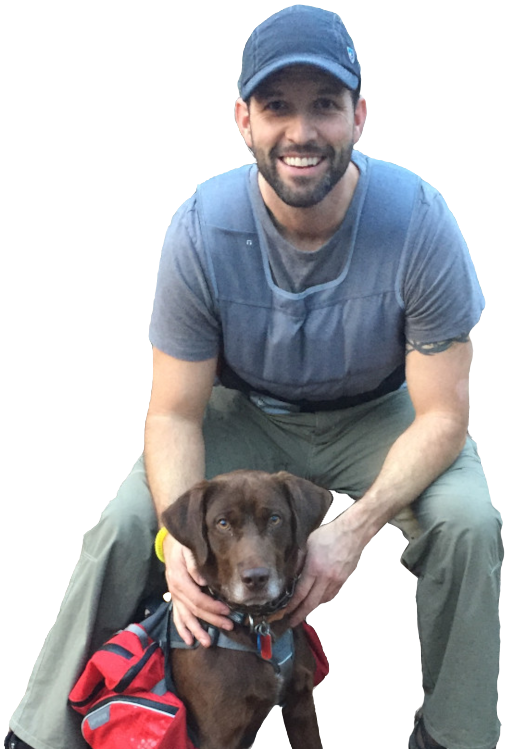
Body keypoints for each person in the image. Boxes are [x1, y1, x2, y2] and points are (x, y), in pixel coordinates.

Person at [6, 6, 505, 749]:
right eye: (277, 107)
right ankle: (45, 731)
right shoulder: (199, 231)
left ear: (358, 116)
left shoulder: (420, 223)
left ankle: (459, 735)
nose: (301, 131)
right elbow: (175, 413)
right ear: (244, 118)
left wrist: (350, 530)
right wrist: (177, 546)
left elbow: (442, 415)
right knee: (120, 526)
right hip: (247, 413)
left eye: (325, 106)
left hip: (379, 415)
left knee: (469, 519)